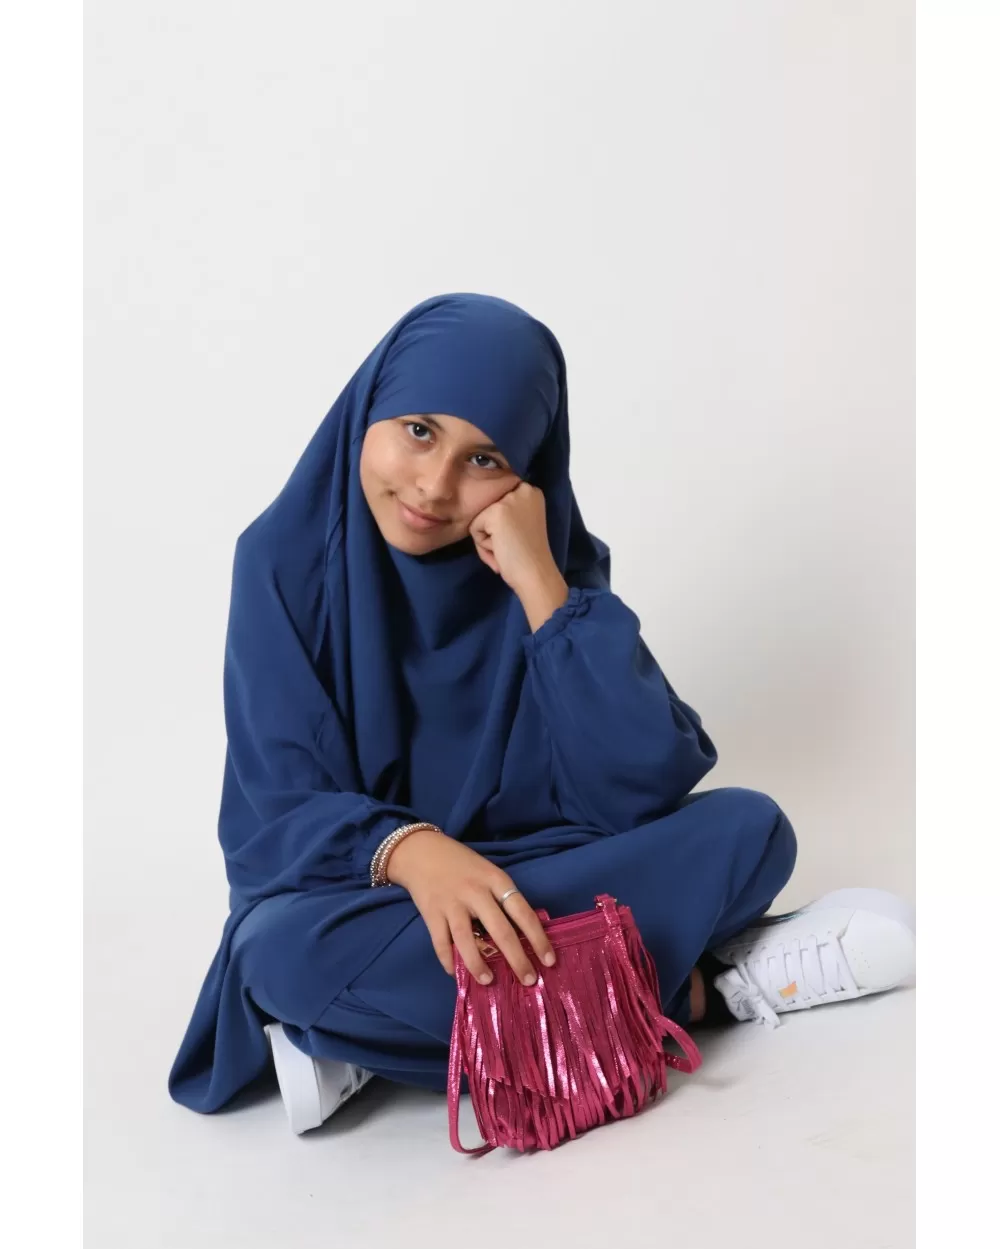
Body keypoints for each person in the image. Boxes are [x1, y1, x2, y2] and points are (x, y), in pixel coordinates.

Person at [168, 293, 916, 1134]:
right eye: (418, 430)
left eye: (484, 458)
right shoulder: (281, 563)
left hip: (531, 872)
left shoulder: (545, 565)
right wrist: (412, 852)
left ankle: (376, 1039)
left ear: (528, 473)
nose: (435, 485)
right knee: (280, 954)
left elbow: (637, 788)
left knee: (750, 829)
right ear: (367, 408)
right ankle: (705, 991)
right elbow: (277, 805)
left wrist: (542, 589)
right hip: (368, 892)